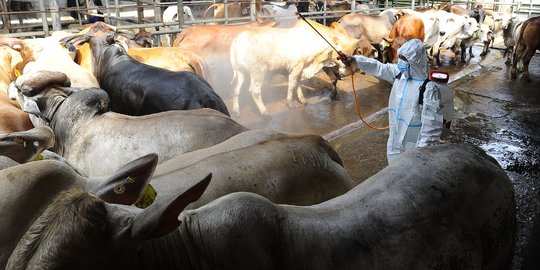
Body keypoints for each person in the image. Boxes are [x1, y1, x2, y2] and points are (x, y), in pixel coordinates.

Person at [343, 39, 454, 164]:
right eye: (400, 56)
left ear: (415, 61)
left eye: (404, 58)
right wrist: (355, 60)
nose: (400, 61)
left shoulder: (428, 88)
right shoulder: (400, 75)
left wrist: (421, 153)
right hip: (395, 141)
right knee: (393, 172)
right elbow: (379, 67)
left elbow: (432, 126)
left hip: (413, 147)